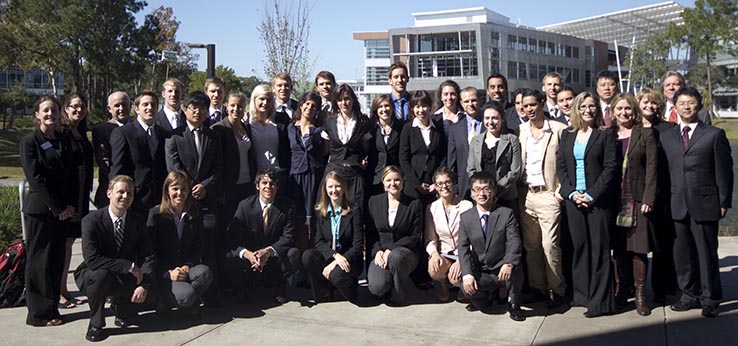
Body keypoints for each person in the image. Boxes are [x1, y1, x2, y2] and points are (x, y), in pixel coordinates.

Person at [662, 87, 732, 318]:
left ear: (699, 105)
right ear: (675, 106)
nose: (687, 107)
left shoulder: (713, 134)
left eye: (691, 102)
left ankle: (710, 297)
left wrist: (724, 201)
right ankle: (688, 294)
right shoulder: (667, 136)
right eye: (682, 103)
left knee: (706, 253)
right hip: (676, 203)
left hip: (705, 202)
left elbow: (724, 171)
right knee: (682, 254)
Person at [556, 91, 617, 318]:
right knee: (579, 248)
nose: (588, 110)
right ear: (576, 110)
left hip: (597, 202)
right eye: (583, 107)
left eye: (592, 106)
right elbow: (561, 167)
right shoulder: (567, 135)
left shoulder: (605, 135)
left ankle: (601, 302)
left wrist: (591, 195)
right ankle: (581, 295)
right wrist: (571, 193)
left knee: (599, 250)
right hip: (574, 201)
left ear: (597, 109)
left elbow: (611, 169)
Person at [74, 175, 156, 342]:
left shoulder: (138, 221)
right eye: (121, 192)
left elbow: (148, 255)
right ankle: (96, 323)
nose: (125, 197)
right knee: (100, 276)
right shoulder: (91, 221)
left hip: (124, 276)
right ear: (109, 193)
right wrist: (127, 266)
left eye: (130, 193)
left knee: (153, 290)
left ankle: (123, 309)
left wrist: (144, 285)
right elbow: (93, 259)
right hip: (95, 275)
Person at [20, 96, 77, 327]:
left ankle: (52, 309)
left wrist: (70, 206)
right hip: (42, 211)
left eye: (53, 110)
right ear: (37, 114)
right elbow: (36, 179)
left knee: (55, 261)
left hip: (63, 212)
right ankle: (38, 314)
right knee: (39, 263)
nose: (50, 114)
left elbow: (73, 174)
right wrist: (56, 208)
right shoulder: (30, 142)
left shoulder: (63, 140)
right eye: (45, 110)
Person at [166, 90, 223, 306]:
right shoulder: (174, 136)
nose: (197, 112)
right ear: (185, 110)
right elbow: (174, 167)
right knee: (185, 246)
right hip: (183, 202)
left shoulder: (214, 136)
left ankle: (210, 295)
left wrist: (205, 186)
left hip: (207, 202)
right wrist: (189, 188)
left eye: (202, 108)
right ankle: (184, 293)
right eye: (193, 107)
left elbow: (219, 168)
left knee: (209, 246)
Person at [517, 88, 567, 309]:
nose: (529, 109)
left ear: (542, 104)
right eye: (525, 106)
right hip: (527, 195)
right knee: (532, 246)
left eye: (532, 105)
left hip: (548, 195)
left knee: (550, 245)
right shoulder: (520, 130)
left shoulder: (558, 130)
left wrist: (560, 190)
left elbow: (568, 164)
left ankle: (556, 290)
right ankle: (538, 287)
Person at [608, 93, 658, 316]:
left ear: (634, 110)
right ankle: (621, 290)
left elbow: (653, 170)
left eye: (627, 108)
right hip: (613, 200)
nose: (624, 113)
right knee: (618, 248)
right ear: (613, 112)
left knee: (638, 249)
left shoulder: (646, 134)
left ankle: (640, 294)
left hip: (637, 200)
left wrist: (649, 198)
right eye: (619, 109)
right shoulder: (607, 135)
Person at [225, 169, 301, 304]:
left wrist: (268, 252)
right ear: (257, 185)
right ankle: (243, 288)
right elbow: (233, 237)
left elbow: (289, 237)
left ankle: (280, 286)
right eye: (264, 183)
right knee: (230, 257)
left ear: (277, 187)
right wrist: (248, 254)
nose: (268, 187)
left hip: (274, 258)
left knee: (293, 254)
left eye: (272, 184)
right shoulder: (244, 206)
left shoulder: (288, 206)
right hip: (251, 258)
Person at [458, 171, 525, 321]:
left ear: (494, 191)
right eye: (477, 189)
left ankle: (513, 303)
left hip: (503, 268)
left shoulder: (506, 213)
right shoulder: (466, 218)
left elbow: (514, 241)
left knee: (515, 267)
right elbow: (462, 248)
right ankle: (485, 300)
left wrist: (508, 262)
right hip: (482, 271)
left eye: (486, 189)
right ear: (472, 193)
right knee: (466, 286)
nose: (482, 193)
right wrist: (467, 275)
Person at [147, 171, 213, 318]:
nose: (179, 193)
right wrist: (168, 273)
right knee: (186, 296)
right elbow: (150, 251)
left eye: (184, 189)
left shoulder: (195, 212)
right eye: (175, 188)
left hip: (185, 267)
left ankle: (189, 303)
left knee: (205, 273)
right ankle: (167, 299)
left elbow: (198, 246)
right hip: (165, 272)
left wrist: (188, 265)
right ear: (167, 191)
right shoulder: (156, 214)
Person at [636, 88, 678, 302]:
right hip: (636, 194)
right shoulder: (630, 128)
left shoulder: (669, 129)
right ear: (638, 103)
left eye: (654, 103)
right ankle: (635, 289)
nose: (649, 106)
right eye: (645, 102)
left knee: (663, 244)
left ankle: (663, 288)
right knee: (637, 245)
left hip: (663, 194)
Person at [302, 171, 364, 303]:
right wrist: (334, 256)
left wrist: (338, 260)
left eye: (337, 186)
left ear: (343, 188)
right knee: (308, 256)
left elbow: (358, 245)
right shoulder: (320, 210)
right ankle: (324, 290)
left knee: (336, 275)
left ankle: (351, 288)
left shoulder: (354, 210)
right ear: (325, 189)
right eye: (330, 187)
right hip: (331, 255)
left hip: (349, 258)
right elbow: (318, 241)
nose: (334, 190)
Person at [366, 166, 422, 305]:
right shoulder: (374, 202)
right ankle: (389, 282)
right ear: (383, 183)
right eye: (388, 180)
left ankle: (398, 295)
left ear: (403, 182)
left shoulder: (414, 204)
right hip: (381, 252)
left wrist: (391, 249)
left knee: (395, 257)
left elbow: (414, 236)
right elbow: (371, 233)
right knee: (377, 288)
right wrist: (377, 251)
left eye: (397, 180)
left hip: (405, 252)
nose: (393, 183)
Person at [59, 94, 94, 309]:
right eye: (74, 107)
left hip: (81, 196)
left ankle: (63, 289)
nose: (78, 111)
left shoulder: (80, 132)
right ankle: (60, 292)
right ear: (66, 108)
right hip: (67, 198)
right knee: (63, 244)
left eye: (82, 107)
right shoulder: (61, 133)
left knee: (69, 243)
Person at [110, 91, 168, 213]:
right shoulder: (123, 133)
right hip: (134, 198)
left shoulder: (164, 134)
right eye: (145, 105)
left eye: (153, 105)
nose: (149, 108)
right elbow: (117, 168)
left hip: (160, 199)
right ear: (136, 109)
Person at [425, 167, 473, 301]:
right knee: (434, 269)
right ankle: (442, 284)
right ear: (435, 185)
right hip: (444, 252)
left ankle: (460, 285)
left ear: (453, 183)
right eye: (440, 183)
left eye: (448, 182)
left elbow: (473, 239)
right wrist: (434, 254)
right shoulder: (432, 208)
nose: (444, 186)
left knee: (455, 278)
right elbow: (430, 238)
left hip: (462, 253)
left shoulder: (466, 206)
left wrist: (461, 260)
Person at [288, 91, 326, 251]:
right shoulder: (290, 128)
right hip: (295, 177)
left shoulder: (319, 131)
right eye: (307, 104)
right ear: (301, 105)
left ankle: (312, 254)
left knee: (312, 218)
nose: (309, 108)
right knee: (297, 218)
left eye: (314, 106)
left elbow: (325, 151)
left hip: (313, 176)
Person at [322, 84, 371, 207]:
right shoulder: (329, 121)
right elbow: (326, 149)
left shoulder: (363, 122)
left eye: (347, 98)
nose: (344, 103)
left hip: (354, 173)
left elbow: (366, 149)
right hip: (334, 171)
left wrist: (365, 159)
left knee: (356, 210)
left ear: (353, 100)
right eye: (340, 100)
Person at [467, 102, 521, 210]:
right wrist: (482, 190)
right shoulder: (476, 141)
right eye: (487, 118)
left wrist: (495, 190)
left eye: (495, 118)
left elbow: (515, 170)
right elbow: (471, 169)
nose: (490, 122)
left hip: (505, 195)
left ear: (502, 119)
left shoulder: (511, 139)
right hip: (481, 197)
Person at [211, 91, 254, 220]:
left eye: (240, 106)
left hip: (247, 184)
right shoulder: (218, 129)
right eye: (232, 105)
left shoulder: (247, 128)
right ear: (226, 106)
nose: (236, 109)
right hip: (228, 187)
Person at [399, 90, 446, 205]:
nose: (421, 110)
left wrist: (437, 182)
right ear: (412, 108)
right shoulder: (408, 129)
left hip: (434, 183)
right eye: (417, 106)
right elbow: (403, 158)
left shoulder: (438, 127)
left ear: (430, 107)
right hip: (413, 182)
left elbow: (443, 155)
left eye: (424, 106)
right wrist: (416, 184)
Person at [91, 91, 130, 208]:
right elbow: (103, 159)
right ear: (109, 108)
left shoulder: (138, 127)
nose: (121, 108)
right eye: (117, 105)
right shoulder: (101, 130)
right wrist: (120, 181)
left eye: (124, 104)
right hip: (110, 187)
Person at [247, 84, 291, 182]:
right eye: (261, 99)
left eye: (269, 100)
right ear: (254, 100)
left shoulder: (282, 119)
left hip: (279, 174)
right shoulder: (247, 123)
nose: (265, 103)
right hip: (256, 176)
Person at [448, 87, 484, 198]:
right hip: (464, 186)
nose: (470, 104)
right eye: (466, 101)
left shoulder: (489, 124)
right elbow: (452, 160)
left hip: (485, 183)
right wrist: (455, 187)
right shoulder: (455, 129)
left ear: (479, 100)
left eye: (473, 100)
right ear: (461, 104)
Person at [367, 94, 404, 196]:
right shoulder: (371, 129)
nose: (384, 109)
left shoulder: (402, 127)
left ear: (392, 107)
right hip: (376, 178)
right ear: (375, 110)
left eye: (387, 106)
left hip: (396, 178)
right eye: (380, 106)